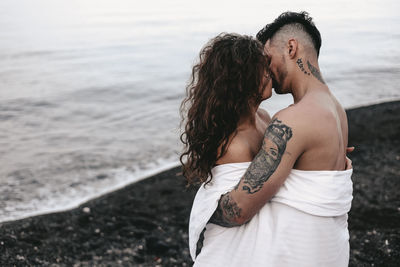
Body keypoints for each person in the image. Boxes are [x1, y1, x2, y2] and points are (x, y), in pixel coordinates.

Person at [187, 11, 354, 267]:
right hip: (330, 248)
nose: (266, 69)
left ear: (291, 47)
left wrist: (205, 210)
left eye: (267, 59)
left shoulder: (292, 120)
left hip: (303, 250)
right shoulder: (336, 108)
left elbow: (239, 210)